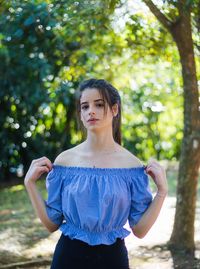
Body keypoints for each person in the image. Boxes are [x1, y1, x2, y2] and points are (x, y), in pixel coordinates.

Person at [24, 78, 168, 269]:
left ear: (114, 110)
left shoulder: (132, 166)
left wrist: (162, 192)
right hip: (68, 258)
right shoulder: (65, 161)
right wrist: (30, 184)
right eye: (85, 106)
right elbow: (52, 224)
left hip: (113, 260)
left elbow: (140, 230)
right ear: (81, 114)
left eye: (99, 104)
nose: (90, 110)